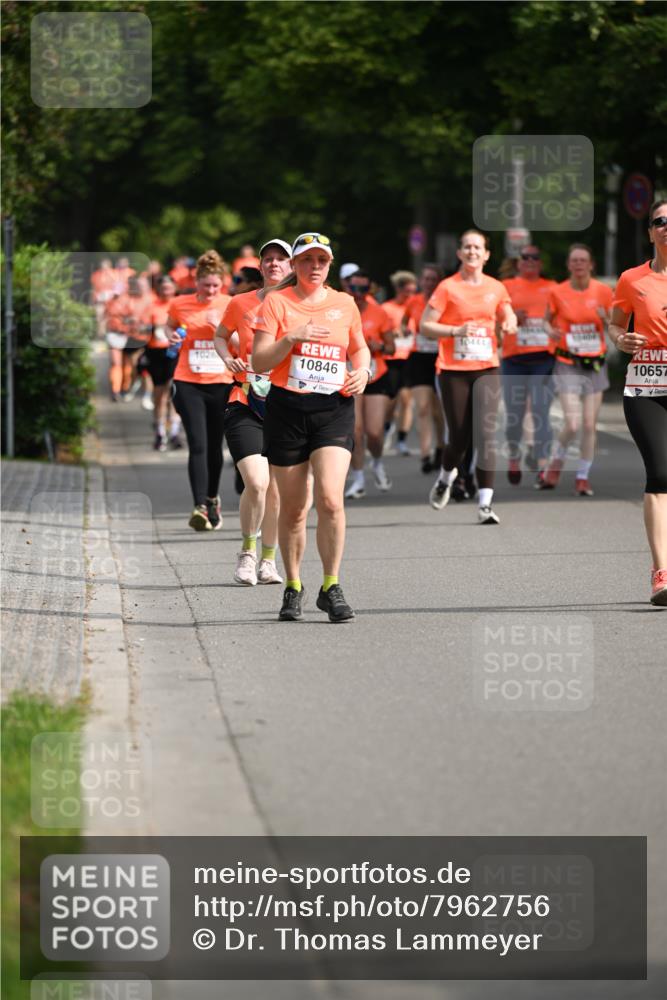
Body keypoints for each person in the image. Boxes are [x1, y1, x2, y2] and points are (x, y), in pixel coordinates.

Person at [251, 232, 371, 622]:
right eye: (307, 260)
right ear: (296, 265)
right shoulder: (277, 302)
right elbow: (259, 361)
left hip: (333, 408)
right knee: (294, 509)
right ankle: (293, 585)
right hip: (287, 407)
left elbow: (358, 347)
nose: (314, 267)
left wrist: (364, 370)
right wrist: (291, 336)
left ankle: (331, 585)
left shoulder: (344, 303)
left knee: (332, 499)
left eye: (321, 261)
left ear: (329, 265)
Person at [420, 229, 517, 524]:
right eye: (467, 247)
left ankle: (485, 503)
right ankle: (445, 478)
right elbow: (426, 325)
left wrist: (510, 322)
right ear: (460, 254)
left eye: (478, 247)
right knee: (460, 438)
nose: (472, 251)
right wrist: (453, 331)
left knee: (486, 435)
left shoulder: (496, 287)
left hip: (487, 366)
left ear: (486, 254)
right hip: (454, 370)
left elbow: (507, 313)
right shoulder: (448, 287)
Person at [214, 239, 293, 585]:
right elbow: (220, 335)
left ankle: (268, 561)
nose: (274, 264)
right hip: (245, 399)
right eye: (268, 259)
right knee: (257, 482)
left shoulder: (301, 306)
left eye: (281, 259)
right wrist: (226, 355)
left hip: (286, 403)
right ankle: (247, 553)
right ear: (259, 267)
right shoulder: (241, 302)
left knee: (276, 490)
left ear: (291, 267)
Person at [609, 200, 667, 606]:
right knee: (661, 472)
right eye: (660, 221)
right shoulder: (631, 279)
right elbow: (615, 323)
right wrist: (620, 339)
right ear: (650, 232)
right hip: (645, 382)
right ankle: (661, 574)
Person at [167, 250, 233, 530]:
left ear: (223, 284)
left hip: (221, 381)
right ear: (197, 282)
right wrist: (169, 336)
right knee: (197, 444)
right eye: (206, 285)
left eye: (216, 286)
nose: (210, 291)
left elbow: (243, 341)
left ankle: (211, 497)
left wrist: (220, 329)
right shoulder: (180, 304)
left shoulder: (231, 304)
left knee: (215, 446)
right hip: (188, 380)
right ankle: (200, 507)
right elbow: (169, 328)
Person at [539, 244, 613, 496]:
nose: (579, 264)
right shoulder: (557, 292)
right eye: (574, 261)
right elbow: (545, 322)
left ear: (591, 265)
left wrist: (607, 320)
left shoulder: (603, 291)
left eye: (583, 260)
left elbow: (616, 324)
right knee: (572, 424)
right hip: (567, 363)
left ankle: (582, 476)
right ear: (569, 265)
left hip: (594, 364)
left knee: (590, 425)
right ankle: (555, 464)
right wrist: (551, 331)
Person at [501, 245, 557, 487]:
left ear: (541, 263)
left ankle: (542, 466)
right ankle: (514, 457)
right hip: (514, 359)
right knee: (514, 414)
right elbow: (494, 319)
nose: (531, 260)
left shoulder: (553, 288)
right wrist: (513, 316)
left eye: (536, 257)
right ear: (518, 262)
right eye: (526, 257)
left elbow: (562, 316)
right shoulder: (506, 286)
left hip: (544, 358)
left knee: (540, 410)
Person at [344, 270, 396, 499]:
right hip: (350, 373)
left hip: (376, 374)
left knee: (374, 432)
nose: (358, 294)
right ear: (348, 287)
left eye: (363, 289)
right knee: (355, 429)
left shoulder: (379, 312)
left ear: (370, 290)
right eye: (354, 288)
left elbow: (391, 348)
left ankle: (376, 462)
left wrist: (378, 347)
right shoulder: (341, 308)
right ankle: (358, 479)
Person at [403, 264, 445, 473]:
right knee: (422, 408)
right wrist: (404, 331)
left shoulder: (445, 301)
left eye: (433, 279)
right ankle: (425, 454)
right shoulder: (414, 301)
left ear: (439, 282)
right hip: (419, 358)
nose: (429, 283)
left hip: (440, 357)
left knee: (439, 411)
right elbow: (404, 322)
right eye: (426, 279)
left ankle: (440, 447)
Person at [144, 275, 182, 451]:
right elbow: (143, 330)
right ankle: (160, 432)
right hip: (155, 353)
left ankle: (174, 432)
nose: (166, 290)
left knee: (172, 391)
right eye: (163, 288)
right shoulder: (152, 307)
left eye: (169, 287)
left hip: (176, 353)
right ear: (158, 290)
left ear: (174, 288)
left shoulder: (181, 305)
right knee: (159, 395)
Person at [382, 270, 418, 455]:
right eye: (407, 292)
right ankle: (387, 426)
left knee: (406, 401)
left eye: (413, 291)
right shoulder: (387, 308)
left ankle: (402, 440)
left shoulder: (417, 306)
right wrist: (393, 333)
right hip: (392, 359)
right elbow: (381, 332)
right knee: (391, 401)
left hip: (410, 357)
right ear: (398, 289)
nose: (410, 295)